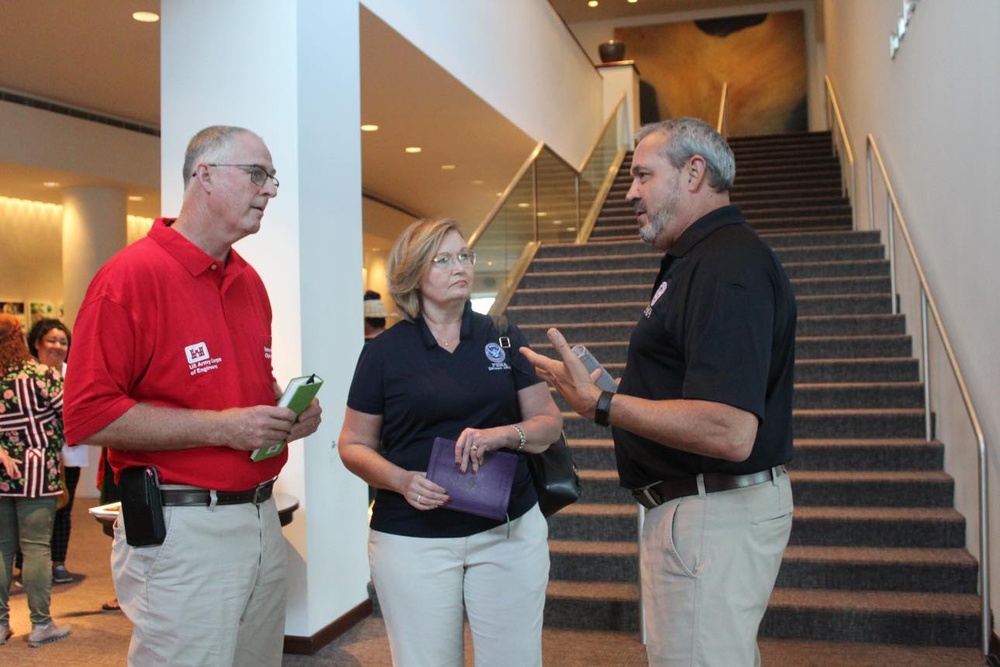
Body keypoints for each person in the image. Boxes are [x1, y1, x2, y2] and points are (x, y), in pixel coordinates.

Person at [521, 118, 797, 666]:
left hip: (711, 511)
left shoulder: (726, 265)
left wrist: (603, 405)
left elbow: (730, 429)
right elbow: (696, 390)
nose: (629, 192)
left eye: (644, 175)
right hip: (698, 510)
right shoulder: (698, 260)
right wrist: (609, 388)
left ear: (694, 173)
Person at [63, 125, 322, 666]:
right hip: (182, 530)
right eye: (257, 174)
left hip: (259, 519)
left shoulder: (248, 280)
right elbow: (87, 416)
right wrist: (222, 427)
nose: (270, 190)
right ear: (204, 175)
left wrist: (284, 412)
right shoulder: (128, 278)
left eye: (271, 177)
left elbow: (240, 384)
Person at [338, 217, 562, 667]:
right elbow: (353, 445)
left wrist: (502, 435)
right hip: (413, 536)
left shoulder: (501, 334)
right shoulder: (384, 352)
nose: (460, 266)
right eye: (442, 260)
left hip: (507, 531)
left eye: (465, 256)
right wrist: (401, 480)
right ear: (414, 274)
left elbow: (548, 422)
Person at [0, 313, 73, 647]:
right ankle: (41, 625)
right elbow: (68, 413)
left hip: (3, 473)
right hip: (37, 471)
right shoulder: (41, 375)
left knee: (2, 550)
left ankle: (0, 624)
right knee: (36, 549)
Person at [25, 318, 84, 585]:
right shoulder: (24, 375)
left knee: (64, 507)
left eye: (63, 341)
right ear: (37, 343)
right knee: (31, 510)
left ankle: (58, 562)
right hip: (32, 455)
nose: (58, 346)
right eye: (52, 340)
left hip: (68, 453)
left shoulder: (75, 375)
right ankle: (26, 565)